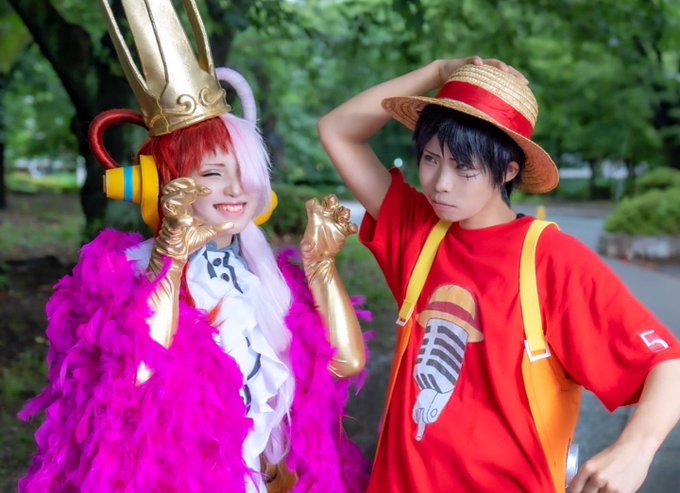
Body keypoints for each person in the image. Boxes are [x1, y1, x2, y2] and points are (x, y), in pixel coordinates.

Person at [18, 1, 368, 492]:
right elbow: (135, 377)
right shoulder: (119, 275)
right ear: (161, 185)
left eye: (245, 172)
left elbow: (343, 363)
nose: (236, 189)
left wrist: (321, 265)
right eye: (212, 173)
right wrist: (170, 257)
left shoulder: (265, 278)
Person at [317, 56, 680, 493]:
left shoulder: (551, 260)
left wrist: (635, 450)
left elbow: (668, 366)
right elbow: (337, 130)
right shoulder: (417, 232)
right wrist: (438, 72)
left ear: (508, 170)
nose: (441, 183)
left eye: (464, 168)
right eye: (431, 158)